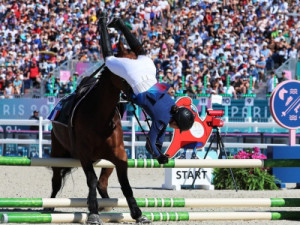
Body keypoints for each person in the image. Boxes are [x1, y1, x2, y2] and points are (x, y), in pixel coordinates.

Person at [98, 12, 194, 164]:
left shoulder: (172, 106)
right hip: (135, 76)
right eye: (177, 128)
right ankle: (102, 23)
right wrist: (159, 156)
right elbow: (150, 144)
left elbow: (159, 134)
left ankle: (121, 25)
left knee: (141, 53)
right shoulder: (163, 119)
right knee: (109, 60)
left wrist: (160, 149)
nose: (175, 129)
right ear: (176, 123)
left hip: (149, 69)